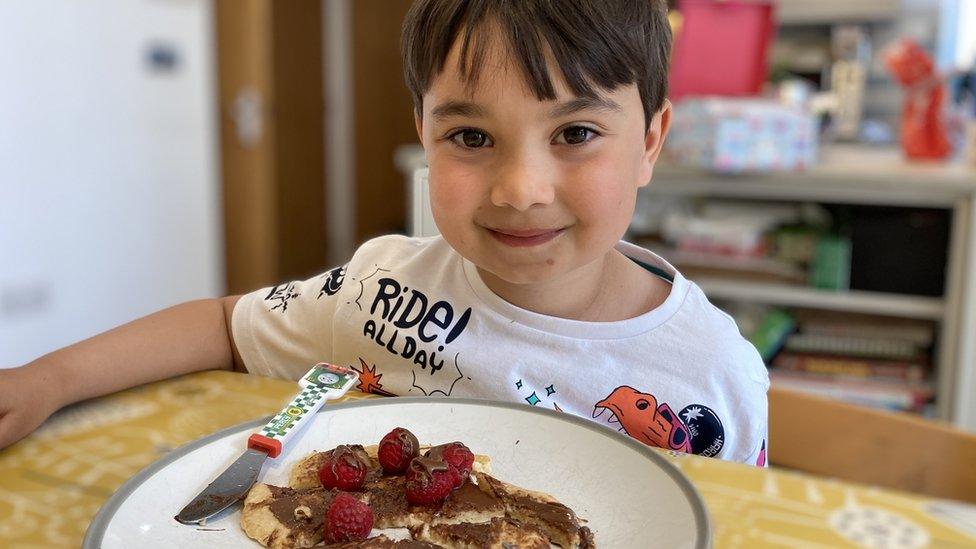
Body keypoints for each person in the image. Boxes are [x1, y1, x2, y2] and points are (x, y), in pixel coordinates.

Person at [0, 0, 768, 465]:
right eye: (470, 136)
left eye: (574, 133)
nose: (521, 190)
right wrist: (48, 379)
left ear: (651, 141)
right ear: (424, 133)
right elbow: (221, 325)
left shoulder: (709, 374)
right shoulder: (380, 292)